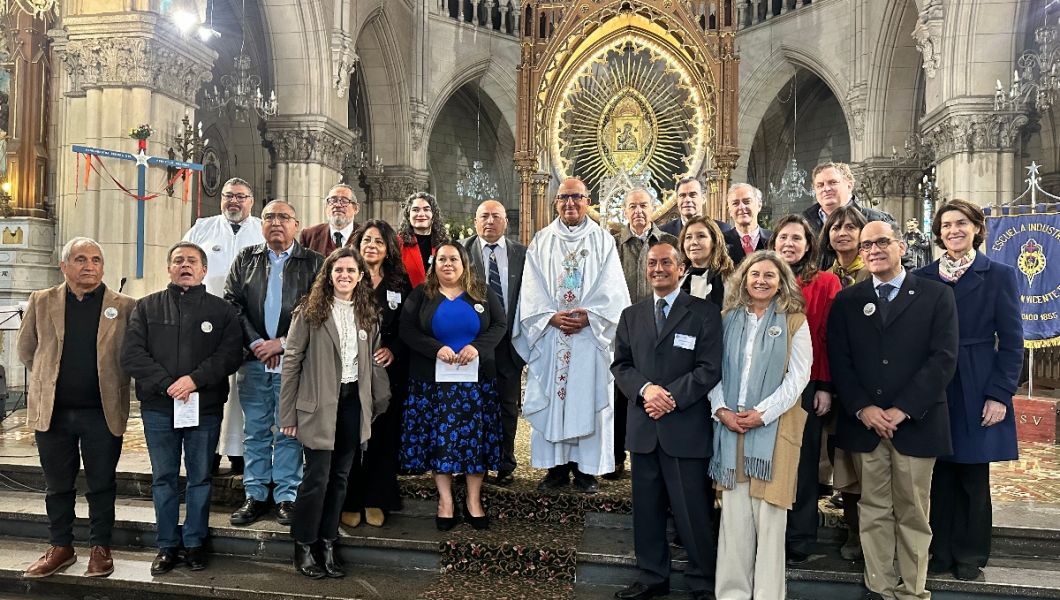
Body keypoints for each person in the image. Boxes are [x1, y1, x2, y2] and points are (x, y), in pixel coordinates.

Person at [828, 221, 959, 600]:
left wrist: (903, 409)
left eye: (882, 242)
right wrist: (863, 408)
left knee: (913, 511)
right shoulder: (849, 300)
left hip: (916, 423)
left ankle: (912, 591)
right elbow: (841, 361)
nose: (873, 250)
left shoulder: (936, 295)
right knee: (873, 509)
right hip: (866, 426)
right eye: (866, 245)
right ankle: (881, 588)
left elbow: (943, 359)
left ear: (901, 246)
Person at [120, 242, 244, 574]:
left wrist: (193, 380)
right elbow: (132, 355)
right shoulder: (146, 308)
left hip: (204, 408)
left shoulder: (222, 311)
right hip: (159, 407)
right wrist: (167, 384)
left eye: (192, 261)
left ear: (204, 270)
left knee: (200, 477)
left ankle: (194, 542)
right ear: (169, 268)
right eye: (178, 261)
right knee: (164, 477)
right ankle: (166, 545)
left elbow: (230, 354)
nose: (185, 265)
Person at [17, 237, 136, 579]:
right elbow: (28, 350)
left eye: (96, 260)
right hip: (53, 413)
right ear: (64, 266)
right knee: (57, 485)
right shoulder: (41, 301)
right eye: (81, 259)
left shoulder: (124, 305)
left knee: (101, 484)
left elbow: (130, 356)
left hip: (101, 412)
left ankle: (100, 548)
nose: (89, 266)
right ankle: (61, 546)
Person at [917, 200, 1022, 581]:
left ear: (978, 227)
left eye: (961, 223)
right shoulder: (924, 276)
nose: (952, 231)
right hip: (936, 382)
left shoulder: (998, 275)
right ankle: (940, 551)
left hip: (978, 381)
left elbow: (1012, 343)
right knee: (939, 472)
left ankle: (970, 553)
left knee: (973, 475)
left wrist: (1000, 394)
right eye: (945, 225)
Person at [611, 243, 722, 600]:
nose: (658, 268)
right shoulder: (631, 315)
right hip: (644, 428)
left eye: (666, 263)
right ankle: (651, 577)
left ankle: (703, 580)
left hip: (685, 428)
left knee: (692, 511)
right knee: (647, 511)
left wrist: (669, 397)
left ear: (681, 269)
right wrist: (646, 391)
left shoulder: (704, 313)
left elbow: (710, 369)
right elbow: (621, 366)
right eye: (652, 263)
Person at [279, 247, 391, 578]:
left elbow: (371, 360)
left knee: (341, 478)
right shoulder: (310, 311)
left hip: (352, 403)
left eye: (350, 271)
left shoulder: (367, 313)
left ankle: (328, 542)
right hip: (318, 406)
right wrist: (287, 414)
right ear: (329, 275)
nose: (344, 275)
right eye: (338, 270)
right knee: (317, 477)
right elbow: (291, 361)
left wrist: (376, 400)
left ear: (360, 277)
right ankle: (304, 544)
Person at [514, 177, 630, 493]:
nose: (570, 203)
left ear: (587, 200)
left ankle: (585, 470)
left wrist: (589, 317)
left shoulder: (603, 241)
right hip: (552, 335)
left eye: (576, 197)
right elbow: (531, 289)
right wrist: (549, 316)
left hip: (589, 338)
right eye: (564, 197)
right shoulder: (541, 241)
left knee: (586, 399)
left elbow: (614, 292)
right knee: (553, 401)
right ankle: (555, 469)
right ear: (556, 202)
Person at [709, 250, 811, 600]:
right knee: (734, 521)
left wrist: (762, 413)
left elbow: (798, 378)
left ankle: (767, 595)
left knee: (770, 521)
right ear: (744, 278)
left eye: (770, 275)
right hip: (731, 427)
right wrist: (721, 409)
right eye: (755, 274)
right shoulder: (726, 319)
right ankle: (732, 594)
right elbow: (713, 370)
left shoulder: (795, 321)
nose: (761, 280)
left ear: (782, 281)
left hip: (774, 431)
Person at [224, 200, 325, 526]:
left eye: (284, 217)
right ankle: (255, 495)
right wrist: (256, 343)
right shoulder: (246, 259)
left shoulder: (314, 263)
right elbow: (232, 303)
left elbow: (319, 311)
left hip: (294, 363)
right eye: (269, 217)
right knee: (255, 432)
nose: (276, 222)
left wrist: (282, 344)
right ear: (261, 223)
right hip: (253, 361)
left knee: (288, 432)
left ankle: (286, 496)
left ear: (297, 225)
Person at [399, 243, 506, 530]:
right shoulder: (422, 294)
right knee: (440, 443)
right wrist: (435, 348)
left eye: (454, 259)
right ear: (435, 264)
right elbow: (406, 329)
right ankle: (445, 501)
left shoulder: (481, 291)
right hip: (433, 387)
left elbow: (499, 325)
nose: (448, 264)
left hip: (475, 385)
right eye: (442, 259)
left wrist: (477, 347)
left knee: (475, 442)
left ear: (464, 263)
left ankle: (473, 500)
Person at [769, 215, 842, 565]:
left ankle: (799, 538)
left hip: (807, 383)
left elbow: (829, 339)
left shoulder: (826, 282)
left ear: (809, 244)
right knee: (767, 459)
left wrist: (825, 385)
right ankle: (770, 532)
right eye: (783, 237)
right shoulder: (764, 278)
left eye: (796, 238)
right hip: (764, 386)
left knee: (802, 461)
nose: (789, 244)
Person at [183, 177, 265, 475]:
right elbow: (185, 268)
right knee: (209, 388)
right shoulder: (202, 228)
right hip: (206, 325)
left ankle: (239, 452)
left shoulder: (262, 231)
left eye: (241, 196)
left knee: (244, 392)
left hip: (249, 325)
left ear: (251, 201)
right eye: (229, 196)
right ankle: (209, 452)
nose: (234, 201)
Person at [341, 220, 413, 528]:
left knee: (382, 437)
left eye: (379, 242)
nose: (372, 245)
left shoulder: (399, 282)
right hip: (349, 368)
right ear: (357, 244)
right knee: (350, 437)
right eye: (367, 240)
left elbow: (409, 325)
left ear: (388, 249)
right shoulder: (345, 276)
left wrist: (393, 348)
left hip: (386, 371)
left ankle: (376, 498)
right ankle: (350, 499)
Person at [610, 187, 675, 479]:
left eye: (643, 206)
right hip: (622, 328)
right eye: (632, 206)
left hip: (660, 327)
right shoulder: (612, 245)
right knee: (620, 393)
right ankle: (615, 456)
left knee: (654, 389)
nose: (638, 211)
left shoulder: (667, 243)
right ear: (624, 211)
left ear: (654, 209)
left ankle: (653, 453)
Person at [461, 200, 527, 485]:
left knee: (506, 405)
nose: (490, 221)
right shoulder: (460, 251)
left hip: (508, 343)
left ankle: (504, 462)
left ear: (505, 222)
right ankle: (474, 461)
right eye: (484, 216)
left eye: (496, 216)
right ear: (475, 221)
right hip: (470, 345)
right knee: (472, 406)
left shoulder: (522, 254)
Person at [820, 203, 870, 560]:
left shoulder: (872, 273)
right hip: (831, 378)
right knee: (844, 460)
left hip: (866, 381)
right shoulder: (823, 273)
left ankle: (869, 534)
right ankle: (853, 529)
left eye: (851, 227)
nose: (842, 233)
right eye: (836, 227)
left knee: (867, 458)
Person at [803, 162, 895, 267]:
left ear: (850, 185)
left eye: (833, 182)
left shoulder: (878, 219)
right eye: (820, 185)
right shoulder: (803, 223)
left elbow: (901, 262)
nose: (826, 189)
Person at [678, 216, 733, 307]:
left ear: (714, 241)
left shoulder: (729, 279)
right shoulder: (677, 277)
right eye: (688, 237)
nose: (694, 242)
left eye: (701, 236)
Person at [397, 192, 449, 287]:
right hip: (407, 298)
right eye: (415, 210)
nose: (421, 214)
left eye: (426, 209)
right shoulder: (398, 243)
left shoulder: (444, 243)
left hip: (438, 298)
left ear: (433, 215)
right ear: (408, 215)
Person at [298, 184, 361, 256]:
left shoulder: (364, 235)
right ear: (326, 207)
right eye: (333, 200)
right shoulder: (309, 235)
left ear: (356, 208)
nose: (338, 205)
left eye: (344, 201)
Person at [659, 176, 733, 237]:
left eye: (693, 195)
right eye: (682, 195)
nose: (687, 199)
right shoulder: (663, 233)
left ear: (703, 199)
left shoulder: (722, 230)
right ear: (677, 200)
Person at [722, 183, 772, 266]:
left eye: (747, 202)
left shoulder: (773, 239)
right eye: (735, 203)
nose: (741, 207)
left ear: (759, 205)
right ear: (729, 211)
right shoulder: (721, 242)